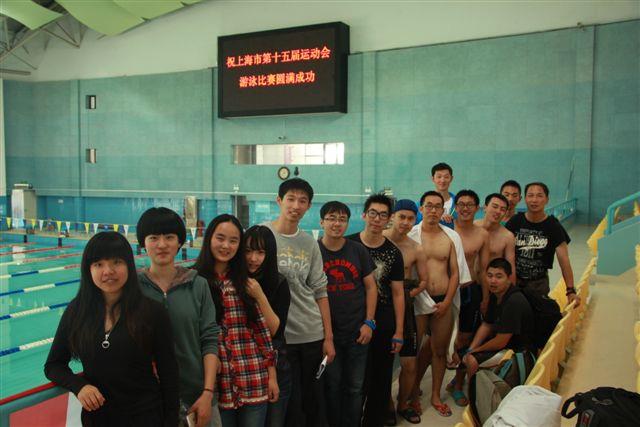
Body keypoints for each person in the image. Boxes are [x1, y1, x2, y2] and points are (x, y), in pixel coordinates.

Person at [44, 231, 179, 426]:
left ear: (129, 266)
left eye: (116, 262)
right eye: (99, 264)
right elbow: (53, 365)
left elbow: (169, 373)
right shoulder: (77, 311)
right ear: (88, 270)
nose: (108, 271)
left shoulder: (152, 312)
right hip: (97, 419)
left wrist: (171, 421)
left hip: (145, 417)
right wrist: (79, 386)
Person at [136, 207, 221, 427]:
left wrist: (208, 392)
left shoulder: (198, 285)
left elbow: (210, 339)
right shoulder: (133, 288)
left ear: (180, 242)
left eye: (169, 237)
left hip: (197, 396)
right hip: (148, 398)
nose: (162, 244)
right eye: (153, 238)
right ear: (143, 242)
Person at [194, 215, 278, 427]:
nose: (226, 246)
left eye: (233, 241)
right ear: (209, 238)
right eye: (220, 238)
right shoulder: (193, 281)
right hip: (217, 384)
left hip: (253, 377)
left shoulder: (246, 283)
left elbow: (262, 333)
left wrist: (272, 376)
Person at [264, 178, 334, 427]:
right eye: (291, 199)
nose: (296, 205)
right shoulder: (262, 235)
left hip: (310, 332)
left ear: (309, 206)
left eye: (302, 201)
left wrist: (328, 337)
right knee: (284, 401)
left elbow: (320, 291)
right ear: (279, 201)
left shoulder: (309, 243)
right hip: (277, 335)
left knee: (310, 399)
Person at [317, 201, 378, 427]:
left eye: (342, 219)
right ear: (322, 222)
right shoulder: (314, 251)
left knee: (354, 388)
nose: (337, 223)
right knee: (332, 387)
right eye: (332, 218)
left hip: (357, 332)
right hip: (327, 334)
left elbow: (371, 287)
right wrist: (325, 335)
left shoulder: (357, 250)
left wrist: (369, 322)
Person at [347, 193, 405, 427]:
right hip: (351, 317)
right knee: (354, 379)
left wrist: (399, 331)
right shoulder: (348, 245)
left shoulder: (393, 253)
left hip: (383, 320)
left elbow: (398, 293)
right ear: (364, 215)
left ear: (389, 219)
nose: (377, 219)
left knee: (381, 378)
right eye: (373, 213)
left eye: (382, 215)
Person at [406, 191, 459, 418]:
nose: (434, 210)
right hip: (418, 300)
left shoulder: (450, 237)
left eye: (438, 206)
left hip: (442, 300)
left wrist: (447, 301)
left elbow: (455, 273)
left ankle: (435, 395)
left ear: (443, 210)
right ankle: (412, 394)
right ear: (421, 208)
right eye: (429, 205)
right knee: (415, 350)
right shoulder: (411, 235)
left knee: (439, 350)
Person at [382, 199, 428, 424]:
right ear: (392, 216)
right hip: (381, 307)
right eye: (402, 217)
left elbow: (424, 280)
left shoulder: (416, 248)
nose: (406, 222)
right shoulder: (379, 241)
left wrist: (408, 294)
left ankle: (403, 404)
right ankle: (387, 405)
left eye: (411, 219)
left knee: (409, 364)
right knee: (383, 363)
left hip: (406, 309)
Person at [458, 258, 534, 384]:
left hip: (520, 353)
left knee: (472, 360)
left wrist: (476, 351)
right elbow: (487, 324)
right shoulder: (496, 295)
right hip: (507, 345)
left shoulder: (514, 301)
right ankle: (460, 385)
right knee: (465, 351)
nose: (493, 281)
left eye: (499, 277)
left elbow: (500, 341)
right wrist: (471, 349)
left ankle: (474, 394)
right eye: (489, 276)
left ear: (509, 278)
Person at [245, 225, 292, 427]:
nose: (253, 258)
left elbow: (275, 330)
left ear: (269, 254)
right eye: (248, 251)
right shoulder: (234, 281)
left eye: (260, 252)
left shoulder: (279, 282)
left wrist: (259, 296)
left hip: (276, 365)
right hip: (244, 366)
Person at [505, 182, 580, 307]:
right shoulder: (515, 221)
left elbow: (564, 260)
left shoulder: (553, 226)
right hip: (513, 282)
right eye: (530, 195)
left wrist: (570, 290)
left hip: (538, 285)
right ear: (525, 199)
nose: (534, 200)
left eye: (539, 196)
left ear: (547, 199)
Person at [475, 193, 516, 284]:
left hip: (492, 285)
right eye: (495, 207)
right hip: (469, 283)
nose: (498, 211)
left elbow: (511, 268)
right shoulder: (472, 227)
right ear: (485, 208)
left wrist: (512, 290)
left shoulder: (507, 237)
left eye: (503, 209)